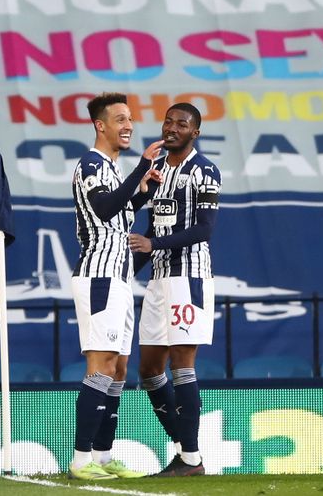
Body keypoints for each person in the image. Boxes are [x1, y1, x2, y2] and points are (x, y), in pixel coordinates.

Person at [68, 92, 164, 480]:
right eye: (120, 119)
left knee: (120, 367)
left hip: (120, 277)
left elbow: (120, 213)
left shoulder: (110, 167)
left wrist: (146, 191)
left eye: (130, 119)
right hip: (99, 276)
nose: (128, 126)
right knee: (101, 364)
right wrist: (142, 167)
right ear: (100, 125)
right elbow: (105, 210)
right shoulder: (91, 164)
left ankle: (104, 458)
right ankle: (80, 460)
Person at [129, 102, 220, 477]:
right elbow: (153, 228)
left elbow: (203, 230)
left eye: (181, 124)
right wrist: (128, 269)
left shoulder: (205, 171)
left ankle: (190, 458)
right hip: (159, 280)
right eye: (168, 121)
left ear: (194, 132)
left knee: (183, 365)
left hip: (189, 278)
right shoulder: (158, 170)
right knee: (150, 370)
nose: (172, 128)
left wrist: (153, 247)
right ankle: (188, 452)